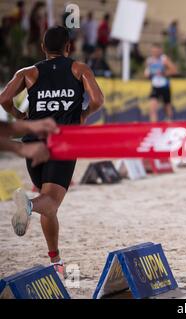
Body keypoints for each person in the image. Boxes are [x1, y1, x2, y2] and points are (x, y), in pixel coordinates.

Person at [0, 25, 104, 277]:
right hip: (62, 142)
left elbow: (3, 99)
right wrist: (83, 114)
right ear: (69, 47)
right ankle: (27, 206)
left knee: (49, 205)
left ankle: (55, 259)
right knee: (48, 201)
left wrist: (20, 115)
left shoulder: (28, 72)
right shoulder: (78, 68)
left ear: (43, 48)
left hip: (32, 144)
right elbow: (98, 100)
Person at [144, 43, 177, 122]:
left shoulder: (164, 59)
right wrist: (147, 74)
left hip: (165, 86)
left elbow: (174, 70)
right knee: (152, 107)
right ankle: (153, 127)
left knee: (167, 106)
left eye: (156, 51)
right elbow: (147, 73)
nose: (155, 53)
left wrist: (163, 73)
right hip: (155, 86)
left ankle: (169, 121)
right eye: (153, 51)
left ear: (160, 51)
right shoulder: (149, 60)